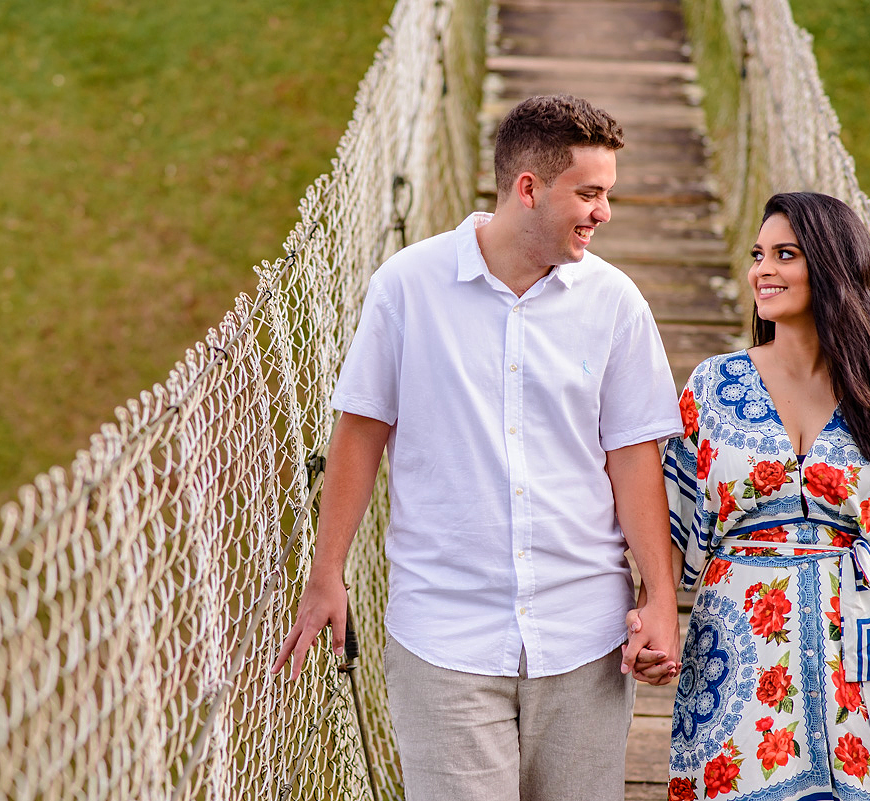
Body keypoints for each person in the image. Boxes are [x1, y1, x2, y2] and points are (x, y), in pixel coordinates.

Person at [270, 94, 683, 801]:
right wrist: (327, 570)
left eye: (606, 194)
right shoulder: (407, 286)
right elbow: (361, 431)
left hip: (584, 635)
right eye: (589, 193)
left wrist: (662, 595)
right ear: (529, 188)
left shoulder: (616, 303)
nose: (603, 212)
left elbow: (633, 456)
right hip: (444, 636)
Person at [637, 192, 870, 800]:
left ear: (833, 267)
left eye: (785, 255)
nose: (763, 270)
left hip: (859, 646)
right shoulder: (713, 383)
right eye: (759, 254)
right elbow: (667, 518)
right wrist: (653, 616)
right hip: (738, 651)